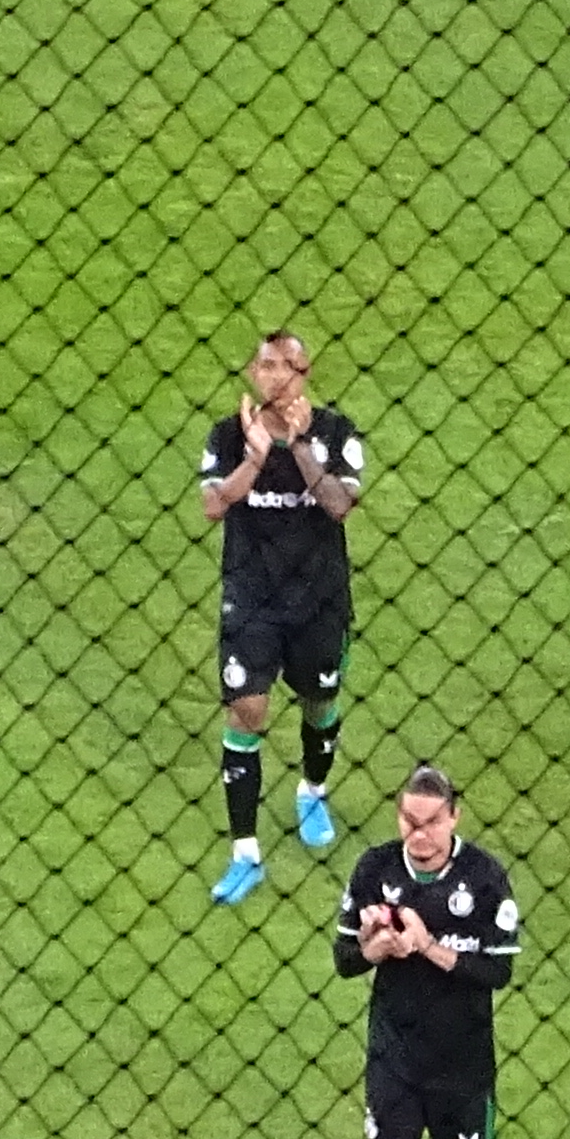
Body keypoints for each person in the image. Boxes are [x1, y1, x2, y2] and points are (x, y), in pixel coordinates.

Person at [338, 764, 518, 1139]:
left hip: (462, 1058)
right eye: (410, 821)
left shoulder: (486, 879)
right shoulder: (374, 870)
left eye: (432, 823)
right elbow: (344, 959)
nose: (420, 834)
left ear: (454, 818)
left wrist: (427, 947)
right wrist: (376, 948)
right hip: (394, 1054)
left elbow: (498, 970)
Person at [197, 329, 368, 902]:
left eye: (285, 366)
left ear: (305, 372)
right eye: (264, 365)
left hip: (319, 601)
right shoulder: (227, 435)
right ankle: (245, 854)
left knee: (320, 703)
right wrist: (254, 459)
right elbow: (213, 506)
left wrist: (297, 449)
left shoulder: (337, 434)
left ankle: (312, 791)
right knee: (247, 710)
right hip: (251, 602)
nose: (273, 375)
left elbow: (340, 506)